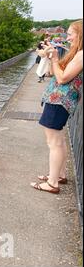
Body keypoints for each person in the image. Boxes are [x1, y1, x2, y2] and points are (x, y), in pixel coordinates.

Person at [31, 20, 83, 194]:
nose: (67, 37)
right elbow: (55, 73)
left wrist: (54, 59)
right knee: (58, 141)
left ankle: (53, 183)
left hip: (59, 101)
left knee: (53, 142)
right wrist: (53, 58)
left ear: (80, 34)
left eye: (70, 34)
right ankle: (59, 175)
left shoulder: (81, 55)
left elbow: (62, 79)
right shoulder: (76, 53)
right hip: (58, 100)